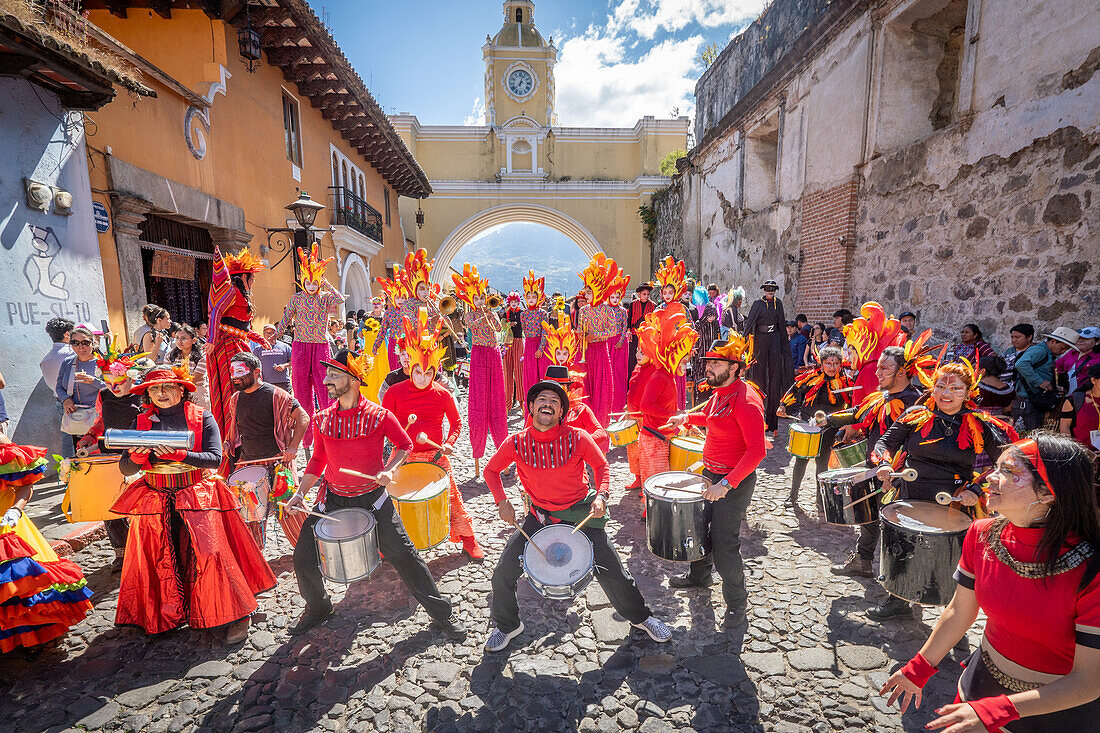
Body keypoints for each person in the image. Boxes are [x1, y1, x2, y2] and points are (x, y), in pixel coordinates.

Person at [880, 433, 1100, 730]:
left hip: (1054, 714)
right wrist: (918, 668)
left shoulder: (1092, 570)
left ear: (1048, 492)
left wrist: (998, 710)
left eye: (1008, 472)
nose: (990, 479)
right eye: (996, 467)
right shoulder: (981, 533)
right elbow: (960, 611)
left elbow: (1088, 681)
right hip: (977, 689)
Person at [283, 349, 466, 640]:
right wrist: (300, 494)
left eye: (334, 375)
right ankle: (319, 607)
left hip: (374, 499)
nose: (326, 380)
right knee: (303, 558)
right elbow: (318, 460)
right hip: (332, 499)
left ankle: (443, 615)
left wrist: (390, 470)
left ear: (354, 380)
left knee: (407, 557)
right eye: (328, 374)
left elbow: (404, 445)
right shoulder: (322, 418)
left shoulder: (380, 415)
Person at [482, 376, 673, 652]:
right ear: (531, 406)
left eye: (555, 402)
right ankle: (507, 625)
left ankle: (642, 618)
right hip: (540, 517)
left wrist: (602, 496)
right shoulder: (516, 442)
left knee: (614, 572)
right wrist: (502, 501)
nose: (547, 405)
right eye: (542, 400)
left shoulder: (577, 437)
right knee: (502, 572)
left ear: (561, 412)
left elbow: (602, 468)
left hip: (580, 513)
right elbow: (490, 471)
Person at [112, 366, 275, 642]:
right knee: (158, 556)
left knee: (210, 553)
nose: (161, 393)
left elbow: (214, 458)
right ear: (148, 394)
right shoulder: (140, 422)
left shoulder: (202, 417)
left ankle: (235, 615)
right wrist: (138, 458)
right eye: (154, 389)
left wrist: (179, 454)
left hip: (196, 492)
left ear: (181, 390)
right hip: (156, 496)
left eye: (167, 387)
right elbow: (126, 467)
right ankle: (167, 614)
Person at [869, 359, 1017, 620]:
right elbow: (884, 443)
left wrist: (976, 488)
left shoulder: (978, 423)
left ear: (968, 393)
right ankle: (899, 601)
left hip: (955, 502)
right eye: (940, 387)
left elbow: (1006, 461)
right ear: (931, 388)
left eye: (955, 389)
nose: (946, 394)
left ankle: (952, 620)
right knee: (905, 549)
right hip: (912, 495)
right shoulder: (915, 415)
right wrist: (883, 463)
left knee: (952, 560)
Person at [664, 336, 767, 623]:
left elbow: (757, 452)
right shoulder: (720, 392)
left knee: (724, 543)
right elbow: (711, 418)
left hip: (733, 481)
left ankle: (737, 603)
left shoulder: (747, 401)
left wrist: (726, 485)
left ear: (734, 367)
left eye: (716, 363)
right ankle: (700, 577)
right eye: (708, 361)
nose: (708, 367)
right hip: (711, 473)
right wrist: (685, 419)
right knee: (698, 529)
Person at [382, 310, 484, 559]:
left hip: (435, 456)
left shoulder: (442, 393)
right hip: (402, 455)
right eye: (418, 372)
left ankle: (468, 539)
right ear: (411, 368)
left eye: (428, 373)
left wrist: (448, 443)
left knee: (453, 499)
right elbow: (384, 423)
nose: (423, 378)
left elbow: (457, 422)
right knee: (388, 502)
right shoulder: (394, 392)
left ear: (434, 371)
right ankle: (386, 545)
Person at [827, 342, 929, 578]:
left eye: (885, 368)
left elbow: (910, 444)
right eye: (879, 367)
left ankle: (896, 579)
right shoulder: (881, 396)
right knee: (867, 517)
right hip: (874, 466)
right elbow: (858, 413)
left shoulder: (915, 402)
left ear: (902, 371)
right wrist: (829, 420)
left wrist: (894, 476)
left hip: (895, 476)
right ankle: (862, 562)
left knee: (892, 525)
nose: (877, 372)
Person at [0, 435, 93, 651]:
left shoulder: (2, 447)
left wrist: (15, 510)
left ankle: (30, 637)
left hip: (8, 528)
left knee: (23, 587)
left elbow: (26, 485)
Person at [220, 352, 309, 549]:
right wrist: (227, 444)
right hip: (249, 463)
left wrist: (293, 446)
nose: (234, 376)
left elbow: (303, 418)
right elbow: (235, 430)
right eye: (232, 372)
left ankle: (308, 551)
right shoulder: (235, 399)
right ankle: (257, 558)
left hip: (278, 461)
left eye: (240, 372)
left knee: (289, 509)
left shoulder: (277, 395)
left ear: (257, 372)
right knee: (251, 514)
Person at [75, 338, 147, 570]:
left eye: (119, 382)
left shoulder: (142, 395)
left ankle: (146, 548)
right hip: (109, 457)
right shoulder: (104, 395)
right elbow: (101, 422)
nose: (114, 387)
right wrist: (88, 437)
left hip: (139, 457)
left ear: (130, 378)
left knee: (140, 506)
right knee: (111, 504)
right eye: (108, 381)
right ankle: (122, 552)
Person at [777, 345, 854, 505]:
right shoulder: (811, 377)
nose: (831, 367)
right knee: (801, 460)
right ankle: (793, 495)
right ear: (821, 363)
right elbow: (794, 389)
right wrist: (783, 405)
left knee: (822, 463)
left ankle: (821, 498)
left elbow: (853, 406)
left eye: (835, 364)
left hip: (830, 428)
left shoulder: (847, 382)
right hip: (808, 425)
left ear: (841, 364)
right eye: (828, 363)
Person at [206, 247, 268, 436]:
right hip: (227, 346)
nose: (253, 281)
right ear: (242, 278)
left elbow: (243, 327)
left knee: (249, 385)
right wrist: (211, 339)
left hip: (240, 344)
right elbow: (216, 312)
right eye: (252, 278)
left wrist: (259, 339)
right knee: (234, 388)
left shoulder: (241, 295)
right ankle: (233, 433)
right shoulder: (232, 291)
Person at [635, 307, 699, 490]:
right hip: (653, 439)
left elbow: (671, 408)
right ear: (674, 357)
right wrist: (675, 414)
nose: (686, 367)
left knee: (660, 485)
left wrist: (686, 423)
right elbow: (645, 406)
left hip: (661, 436)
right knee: (657, 486)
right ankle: (651, 516)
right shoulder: (659, 377)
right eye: (684, 362)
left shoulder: (669, 377)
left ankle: (652, 515)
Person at [453, 264, 508, 476]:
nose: (480, 301)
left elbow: (497, 329)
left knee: (497, 401)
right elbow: (473, 326)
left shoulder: (491, 314)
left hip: (493, 355)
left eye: (482, 298)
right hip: (478, 355)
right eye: (476, 298)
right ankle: (478, 455)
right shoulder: (469, 316)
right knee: (478, 400)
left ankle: (502, 454)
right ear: (470, 300)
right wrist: (480, 314)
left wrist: (490, 313)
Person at [578, 254, 625, 426]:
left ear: (597, 290)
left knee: (602, 388)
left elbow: (613, 330)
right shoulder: (583, 311)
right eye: (586, 290)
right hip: (586, 351)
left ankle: (601, 424)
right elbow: (579, 329)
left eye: (589, 290)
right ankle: (587, 423)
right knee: (586, 386)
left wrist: (595, 336)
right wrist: (580, 335)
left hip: (601, 351)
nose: (586, 293)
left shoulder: (607, 310)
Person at [745, 280, 794, 435]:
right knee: (759, 379)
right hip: (760, 340)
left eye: (772, 290)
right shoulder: (757, 304)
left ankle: (772, 423)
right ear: (764, 290)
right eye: (768, 289)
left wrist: (784, 348)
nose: (770, 292)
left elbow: (781, 324)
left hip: (774, 340)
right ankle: (757, 419)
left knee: (774, 380)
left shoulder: (778, 303)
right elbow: (749, 322)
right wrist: (743, 340)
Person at [1013, 327, 1080, 433]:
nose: (1063, 352)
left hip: (1034, 402)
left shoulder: (1048, 354)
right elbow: (1021, 364)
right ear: (1053, 342)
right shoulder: (1040, 350)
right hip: (1026, 403)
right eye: (1063, 348)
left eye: (1066, 350)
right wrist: (1040, 382)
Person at [653, 257, 694, 409]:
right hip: (662, 353)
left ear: (676, 292)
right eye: (665, 292)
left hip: (678, 352)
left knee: (677, 383)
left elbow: (690, 329)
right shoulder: (658, 309)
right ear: (662, 293)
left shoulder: (683, 309)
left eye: (671, 292)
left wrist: (687, 349)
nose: (668, 295)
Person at [56, 326, 104, 451]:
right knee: (80, 452)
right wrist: (65, 399)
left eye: (85, 343)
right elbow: (59, 386)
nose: (80, 347)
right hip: (76, 416)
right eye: (75, 343)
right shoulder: (68, 362)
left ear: (93, 343)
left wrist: (94, 381)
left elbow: (113, 388)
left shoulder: (103, 363)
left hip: (98, 418)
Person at [40, 318, 75, 457]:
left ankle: (69, 474)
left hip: (61, 402)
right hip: (77, 402)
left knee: (67, 441)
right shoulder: (72, 354)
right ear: (67, 334)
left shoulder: (45, 360)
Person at [1059, 362, 1100, 452]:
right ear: (1093, 380)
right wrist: (1073, 450)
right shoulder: (1075, 400)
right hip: (1081, 454)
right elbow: (1064, 427)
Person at [167, 323, 209, 409]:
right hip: (176, 393)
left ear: (194, 340)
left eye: (184, 338)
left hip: (197, 393)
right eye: (177, 338)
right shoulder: (170, 355)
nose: (179, 341)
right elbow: (167, 375)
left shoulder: (203, 355)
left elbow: (194, 378)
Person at [608, 278, 631, 414]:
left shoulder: (623, 311)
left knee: (618, 373)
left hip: (619, 344)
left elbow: (624, 327)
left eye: (617, 297)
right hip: (607, 341)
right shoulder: (604, 310)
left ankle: (619, 404)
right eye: (612, 297)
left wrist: (621, 340)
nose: (615, 299)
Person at [251, 324, 293, 394]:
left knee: (286, 404)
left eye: (272, 332)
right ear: (263, 334)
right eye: (267, 333)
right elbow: (253, 365)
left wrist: (284, 366)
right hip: (266, 383)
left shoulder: (285, 347)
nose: (269, 334)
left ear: (276, 334)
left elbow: (294, 361)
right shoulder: (258, 349)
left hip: (283, 383)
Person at [627, 282, 657, 379]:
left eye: (648, 294)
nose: (646, 296)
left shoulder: (653, 305)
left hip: (646, 337)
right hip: (634, 335)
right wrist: (628, 331)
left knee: (646, 358)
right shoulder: (632, 304)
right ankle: (631, 380)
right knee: (632, 358)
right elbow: (629, 318)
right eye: (644, 294)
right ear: (639, 294)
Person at [1059, 326, 1100, 393]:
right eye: (1079, 338)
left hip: (1087, 396)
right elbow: (1057, 367)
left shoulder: (1098, 358)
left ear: (1097, 341)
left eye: (1086, 339)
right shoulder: (1071, 354)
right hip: (1068, 395)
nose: (1080, 340)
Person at [502, 291, 524, 410]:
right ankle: (507, 405)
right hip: (508, 342)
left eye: (515, 301)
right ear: (509, 302)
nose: (514, 303)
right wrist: (509, 324)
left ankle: (522, 403)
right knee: (507, 372)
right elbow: (502, 326)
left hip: (518, 342)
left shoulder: (522, 313)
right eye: (512, 302)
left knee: (519, 373)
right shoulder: (506, 313)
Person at [1002, 323, 1035, 395]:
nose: (1014, 340)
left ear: (1029, 337)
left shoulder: (1035, 352)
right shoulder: (1009, 352)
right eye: (1012, 337)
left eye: (1017, 337)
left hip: (1026, 393)